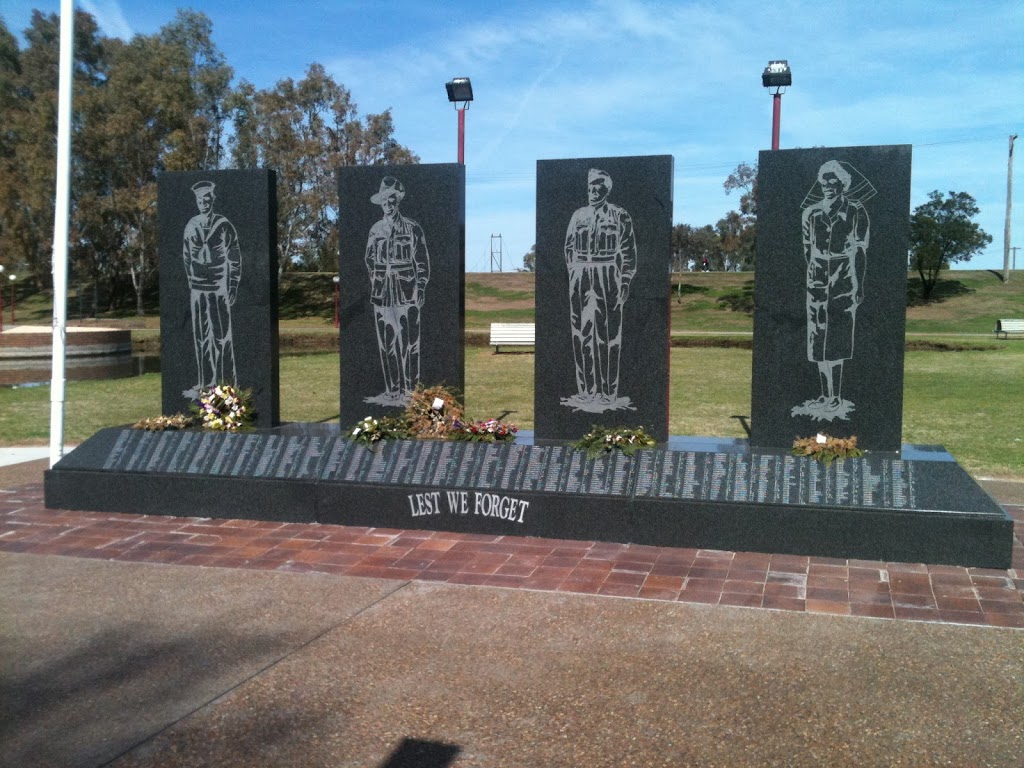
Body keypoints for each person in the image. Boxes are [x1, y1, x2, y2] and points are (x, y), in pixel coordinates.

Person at [796, 160, 870, 419]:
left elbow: (860, 250)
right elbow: (807, 249)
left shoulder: (856, 211)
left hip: (843, 280)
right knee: (818, 336)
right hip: (816, 280)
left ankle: (836, 395)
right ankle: (824, 394)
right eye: (823, 179)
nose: (827, 184)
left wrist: (858, 283)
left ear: (843, 182)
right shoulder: (810, 213)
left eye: (833, 179)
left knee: (837, 337)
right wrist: (815, 275)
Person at [561, 168, 637, 412]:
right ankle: (586, 390)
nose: (593, 191)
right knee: (581, 332)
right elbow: (568, 248)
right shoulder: (578, 215)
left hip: (607, 273)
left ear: (607, 189)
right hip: (581, 273)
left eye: (598, 187)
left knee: (609, 334)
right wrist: (574, 273)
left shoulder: (619, 215)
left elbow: (628, 251)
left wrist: (624, 279)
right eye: (590, 187)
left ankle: (607, 392)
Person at [363, 176, 430, 406]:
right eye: (385, 201)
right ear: (381, 203)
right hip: (382, 294)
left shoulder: (412, 228)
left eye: (392, 200)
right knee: (387, 343)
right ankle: (392, 391)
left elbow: (421, 261)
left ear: (397, 200)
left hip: (407, 291)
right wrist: (377, 278)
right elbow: (369, 259)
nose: (389, 205)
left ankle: (410, 391)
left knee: (410, 343)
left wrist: (420, 285)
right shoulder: (375, 230)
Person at [181, 180, 241, 399]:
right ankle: (205, 383)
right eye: (199, 200)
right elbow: (187, 256)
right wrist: (191, 280)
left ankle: (226, 384)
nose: (203, 203)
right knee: (201, 337)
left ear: (212, 200)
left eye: (207, 199)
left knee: (222, 335)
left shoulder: (224, 225)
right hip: (198, 288)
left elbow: (234, 257)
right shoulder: (191, 225)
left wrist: (233, 283)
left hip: (219, 287)